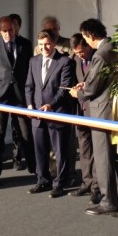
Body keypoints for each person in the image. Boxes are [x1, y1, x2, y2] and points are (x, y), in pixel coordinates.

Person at [70, 18, 118, 215]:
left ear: (90, 35)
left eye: (86, 37)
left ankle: (109, 200)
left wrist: (79, 93)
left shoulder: (101, 54)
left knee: (103, 157)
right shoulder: (113, 47)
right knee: (113, 157)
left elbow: (93, 87)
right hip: (111, 108)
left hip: (102, 110)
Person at [0, 16, 35, 187]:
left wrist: (30, 94)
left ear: (15, 28)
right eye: (4, 31)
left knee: (27, 134)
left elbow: (30, 69)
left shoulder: (26, 44)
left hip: (20, 98)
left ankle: (35, 170)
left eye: (10, 30)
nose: (8, 34)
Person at [25, 30, 75, 198]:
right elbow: (29, 86)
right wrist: (30, 105)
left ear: (53, 43)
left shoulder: (65, 62)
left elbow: (64, 88)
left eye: (47, 44)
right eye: (40, 45)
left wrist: (51, 105)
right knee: (39, 150)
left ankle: (60, 183)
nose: (44, 48)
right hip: (37, 115)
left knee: (60, 151)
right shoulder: (33, 61)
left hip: (57, 114)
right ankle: (42, 180)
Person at [68, 33, 100, 204]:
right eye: (76, 52)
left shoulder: (98, 58)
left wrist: (81, 91)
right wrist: (78, 87)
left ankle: (96, 187)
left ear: (87, 45)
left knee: (96, 150)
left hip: (95, 112)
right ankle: (86, 182)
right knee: (85, 149)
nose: (79, 55)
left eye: (81, 51)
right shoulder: (77, 60)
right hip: (81, 110)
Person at [8, 13, 28, 170]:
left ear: (19, 26)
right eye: (10, 24)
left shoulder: (25, 44)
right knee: (11, 127)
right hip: (4, 93)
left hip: (21, 92)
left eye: (15, 24)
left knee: (22, 127)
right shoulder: (0, 44)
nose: (12, 28)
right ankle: (15, 157)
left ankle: (23, 156)